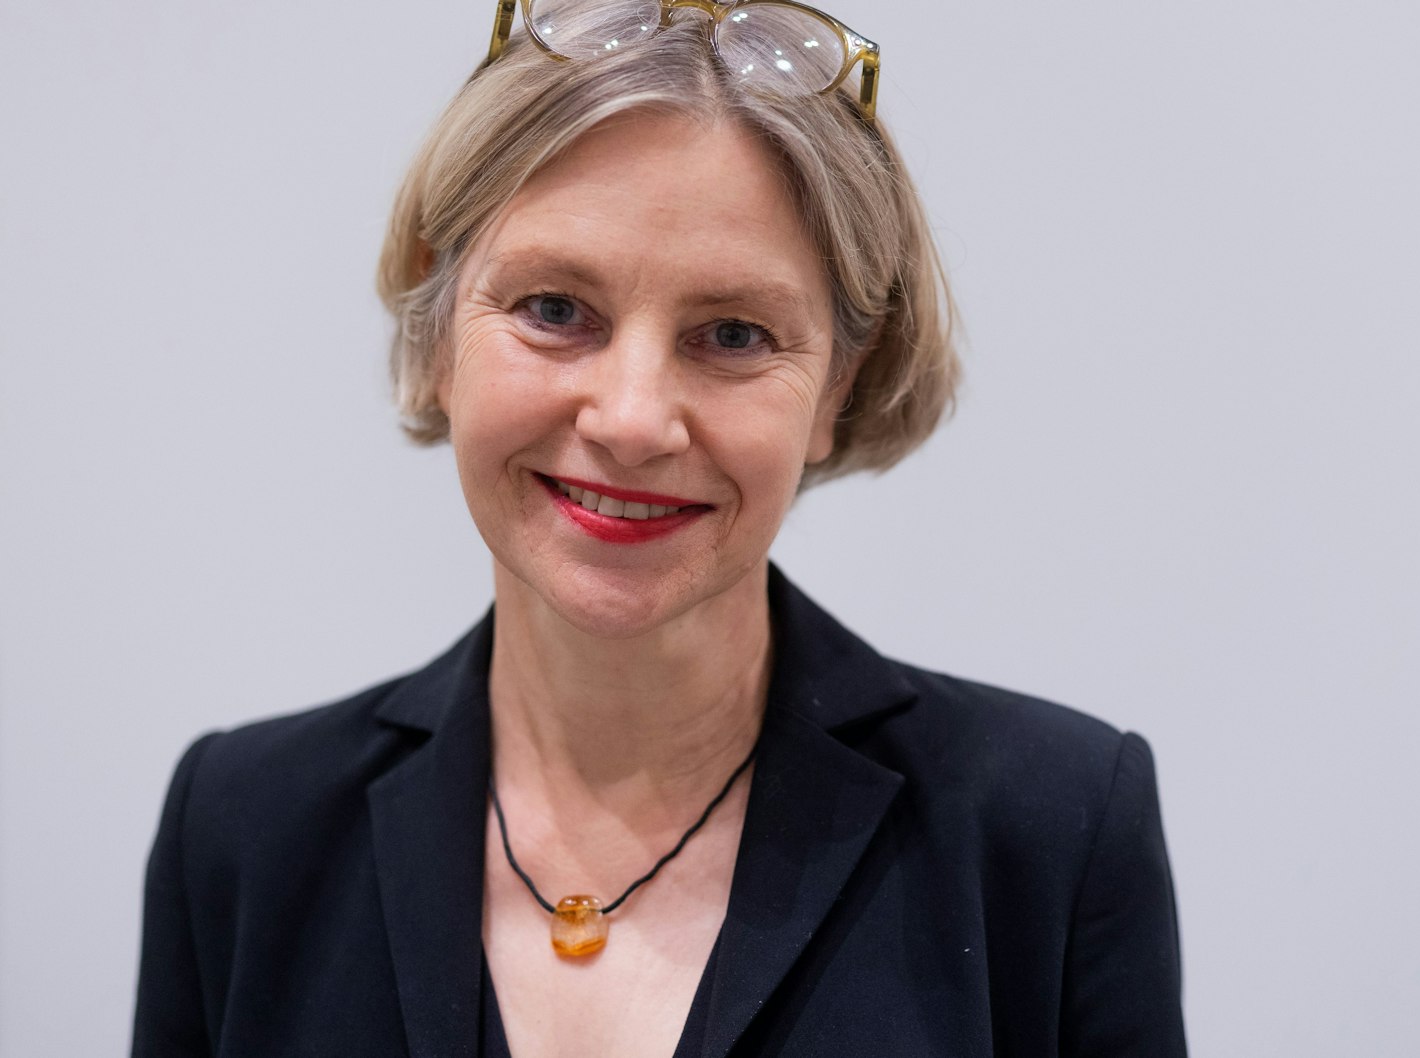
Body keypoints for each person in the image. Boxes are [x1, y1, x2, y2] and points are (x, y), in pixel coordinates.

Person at [131, 1, 1186, 1054]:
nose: (632, 421)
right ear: (437, 322)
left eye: (733, 333)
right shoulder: (243, 828)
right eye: (554, 309)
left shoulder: (1051, 833)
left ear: (838, 386)